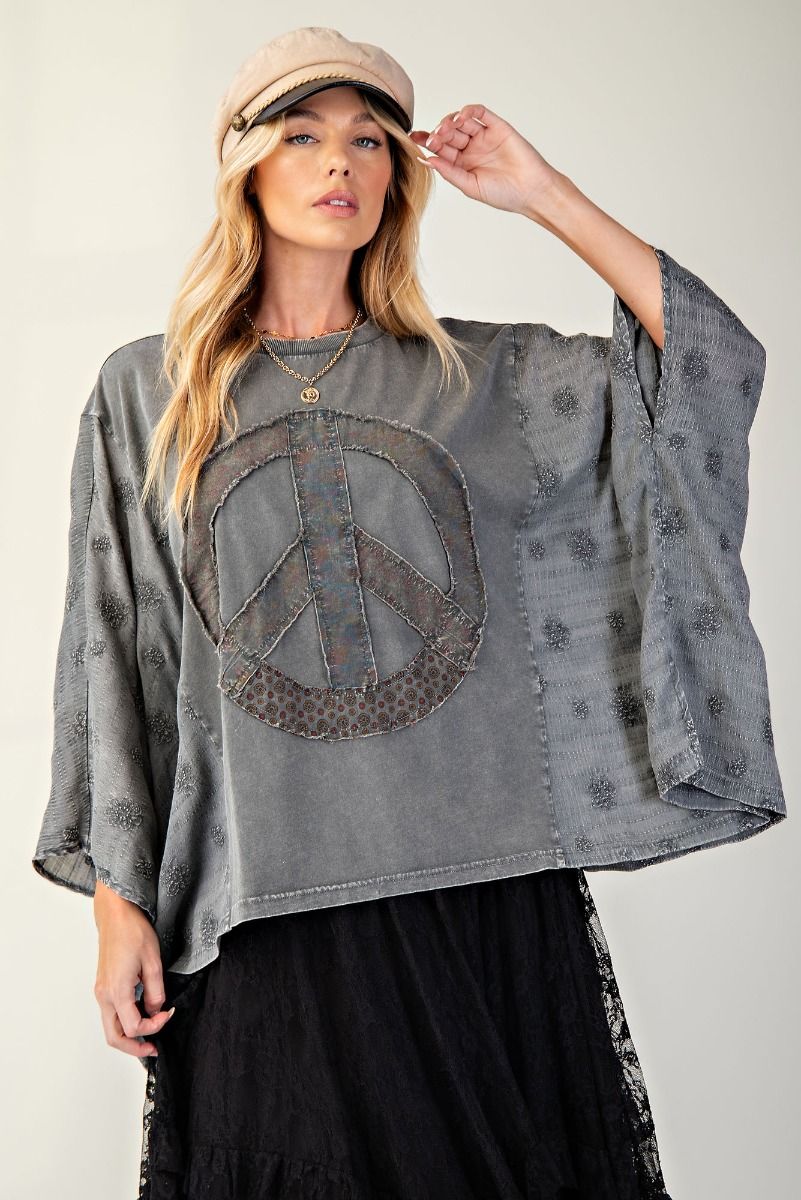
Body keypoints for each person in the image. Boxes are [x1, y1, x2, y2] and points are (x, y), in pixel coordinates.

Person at [32, 25, 786, 1200]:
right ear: (244, 168)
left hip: (477, 900)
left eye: (370, 140)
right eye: (302, 135)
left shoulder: (478, 380)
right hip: (268, 907)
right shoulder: (151, 391)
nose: (340, 161)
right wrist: (117, 909)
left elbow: (702, 367)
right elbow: (116, 646)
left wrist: (541, 193)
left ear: (398, 176)